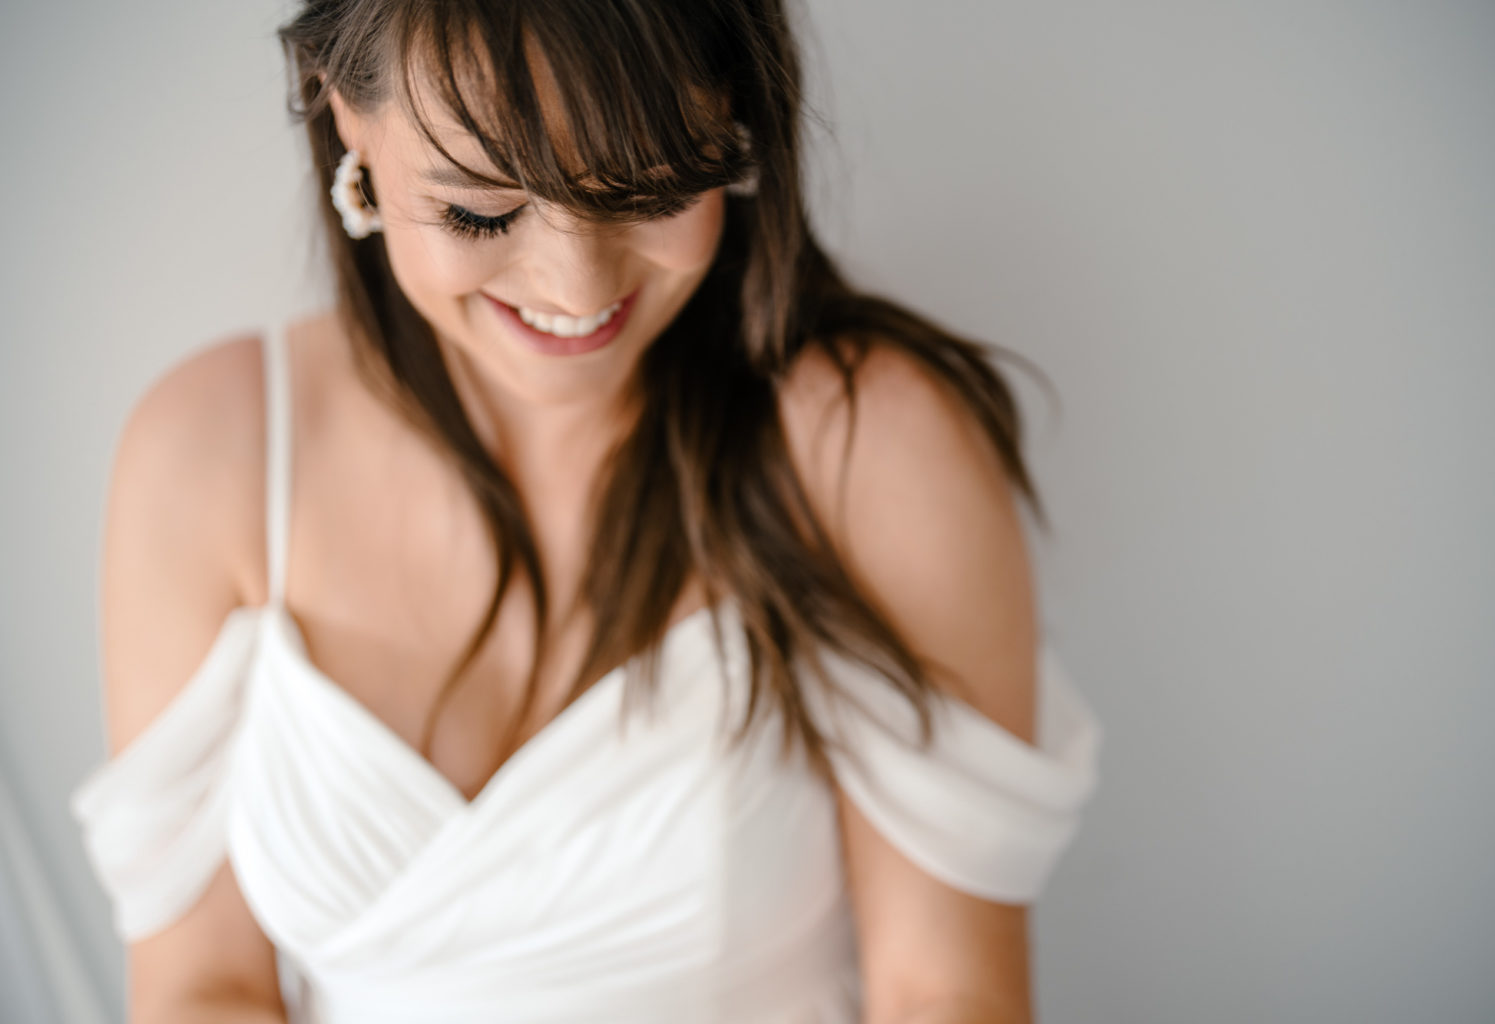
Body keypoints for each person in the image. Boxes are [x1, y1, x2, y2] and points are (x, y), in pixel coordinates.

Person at [70, 1, 1102, 1021]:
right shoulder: (210, 456)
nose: (577, 285)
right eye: (480, 210)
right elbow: (203, 987)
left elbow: (950, 993)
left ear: (732, 113)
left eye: (651, 190)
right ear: (347, 113)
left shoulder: (867, 448)